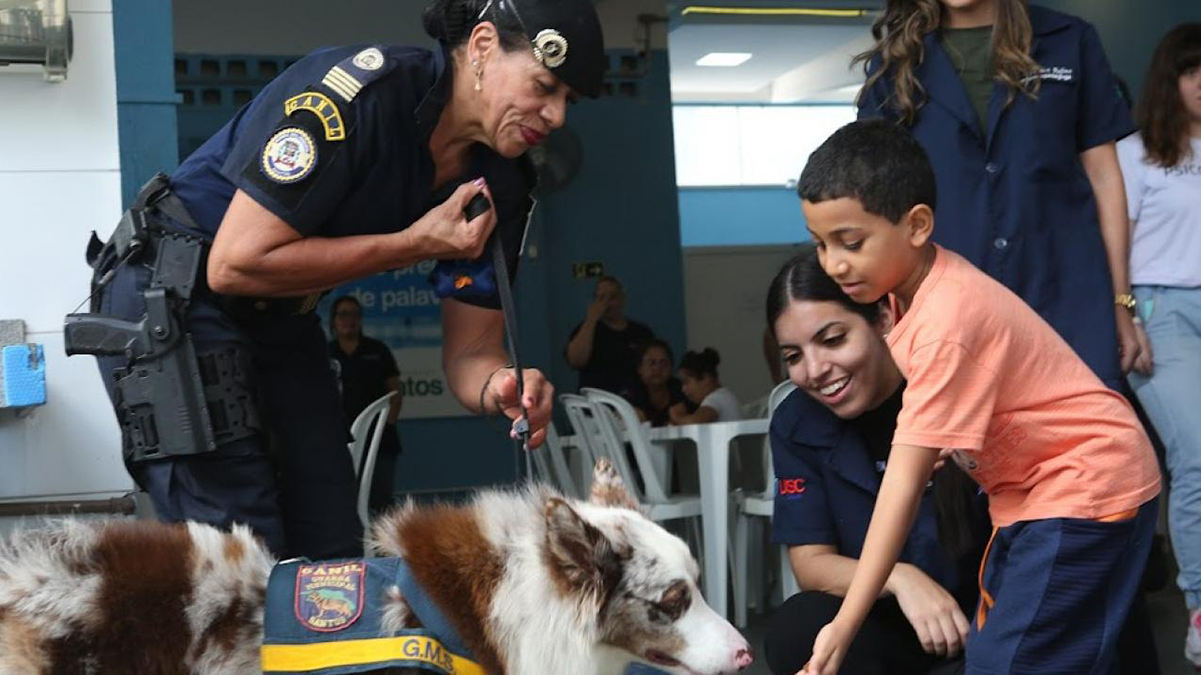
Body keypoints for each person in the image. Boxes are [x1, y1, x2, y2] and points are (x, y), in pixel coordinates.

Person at [72, 0, 604, 559]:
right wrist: (414, 244)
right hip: (174, 295)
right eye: (544, 87)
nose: (558, 115)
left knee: (332, 548)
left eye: (568, 100)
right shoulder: (358, 95)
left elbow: (472, 350)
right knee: (242, 557)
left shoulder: (503, 181)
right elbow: (234, 263)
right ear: (482, 46)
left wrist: (500, 384)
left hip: (281, 313)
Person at [797, 120, 1160, 675]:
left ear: (916, 225)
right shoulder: (908, 292)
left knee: (1009, 664)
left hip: (1084, 483)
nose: (833, 264)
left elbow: (902, 480)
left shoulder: (945, 315)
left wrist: (845, 623)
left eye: (851, 242)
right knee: (1003, 656)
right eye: (820, 244)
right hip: (1036, 493)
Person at [855, 0, 1140, 390]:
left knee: (1088, 440)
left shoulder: (1070, 41)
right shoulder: (896, 64)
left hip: (1069, 297)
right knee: (975, 444)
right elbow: (880, 199)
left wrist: (1120, 302)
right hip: (953, 304)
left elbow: (1105, 178)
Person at [764, 245, 988, 675]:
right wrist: (900, 578)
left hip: (986, 619)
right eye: (793, 356)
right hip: (888, 629)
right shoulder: (796, 423)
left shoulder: (950, 387)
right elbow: (810, 563)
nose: (814, 370)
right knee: (798, 628)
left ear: (884, 318)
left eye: (832, 340)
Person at [1117, 22, 1201, 668]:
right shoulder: (1135, 153)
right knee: (1196, 452)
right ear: (1168, 80)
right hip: (1157, 306)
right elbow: (1112, 243)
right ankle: (1199, 608)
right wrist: (1124, 315)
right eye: (1192, 71)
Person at [328, 295, 403, 515]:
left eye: (354, 314)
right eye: (343, 314)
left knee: (382, 502)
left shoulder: (377, 350)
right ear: (333, 320)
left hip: (380, 440)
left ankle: (385, 550)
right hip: (338, 442)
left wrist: (388, 424)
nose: (349, 320)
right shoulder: (325, 352)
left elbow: (395, 392)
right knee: (342, 503)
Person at [565, 276, 654, 393]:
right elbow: (576, 361)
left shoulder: (641, 332)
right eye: (601, 298)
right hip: (594, 403)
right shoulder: (585, 330)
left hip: (633, 401)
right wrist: (591, 319)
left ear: (622, 299)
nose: (607, 303)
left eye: (612, 297)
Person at [622, 338, 687, 427]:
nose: (658, 368)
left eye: (663, 362)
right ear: (640, 368)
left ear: (671, 367)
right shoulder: (630, 396)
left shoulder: (684, 390)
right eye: (652, 363)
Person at [670, 348, 741, 424]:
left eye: (686, 382)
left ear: (706, 378)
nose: (683, 389)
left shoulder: (717, 397)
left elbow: (694, 422)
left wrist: (676, 415)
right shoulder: (723, 395)